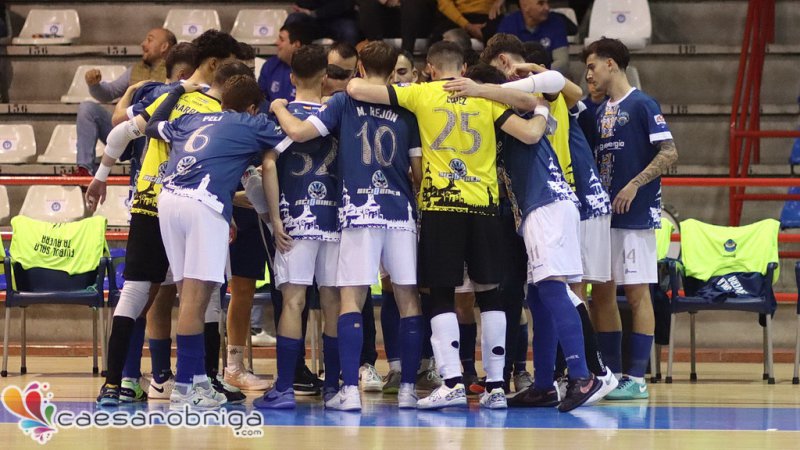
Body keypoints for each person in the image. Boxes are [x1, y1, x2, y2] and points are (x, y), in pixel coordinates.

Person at [346, 40, 551, 410]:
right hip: (484, 206)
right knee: (490, 295)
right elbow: (531, 131)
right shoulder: (485, 98)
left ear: (430, 68)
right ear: (464, 68)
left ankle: (453, 383)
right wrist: (540, 110)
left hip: (442, 206)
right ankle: (495, 387)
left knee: (442, 294)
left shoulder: (421, 93)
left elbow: (357, 88)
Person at [89, 31, 246, 407]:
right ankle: (199, 383)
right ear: (214, 64)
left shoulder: (166, 95)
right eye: (232, 66)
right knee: (203, 294)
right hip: (194, 205)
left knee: (136, 293)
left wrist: (100, 176)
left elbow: (118, 132)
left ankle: (114, 384)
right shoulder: (220, 110)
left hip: (150, 201)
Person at [272, 41, 425, 411]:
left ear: (359, 69)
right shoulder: (407, 109)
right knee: (408, 299)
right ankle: (408, 389)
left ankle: (349, 391)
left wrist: (276, 106)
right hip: (400, 210)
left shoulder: (343, 102)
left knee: (350, 299)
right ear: (392, 72)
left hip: (358, 211)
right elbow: (418, 173)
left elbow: (300, 133)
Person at [447, 61, 604, 412]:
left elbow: (550, 86)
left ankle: (583, 376)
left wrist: (482, 90)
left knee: (553, 290)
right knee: (538, 297)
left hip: (547, 204)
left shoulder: (516, 107)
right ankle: (544, 385)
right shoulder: (499, 119)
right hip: (539, 209)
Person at [143, 75, 291, 410]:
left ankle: (196, 380)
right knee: (196, 300)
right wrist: (281, 107)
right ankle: (186, 388)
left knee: (188, 295)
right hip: (203, 202)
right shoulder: (253, 124)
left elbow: (152, 126)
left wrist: (177, 91)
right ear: (252, 108)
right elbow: (291, 138)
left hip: (168, 201)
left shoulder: (192, 119)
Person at [582, 37, 678, 400]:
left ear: (610, 64)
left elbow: (669, 153)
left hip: (636, 216)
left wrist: (635, 184)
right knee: (601, 294)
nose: (588, 74)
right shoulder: (597, 111)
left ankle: (636, 377)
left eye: (592, 66)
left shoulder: (642, 104)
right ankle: (611, 374)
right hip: (603, 217)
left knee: (638, 293)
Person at [248, 45, 339, 409]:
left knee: (293, 300)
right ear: (325, 78)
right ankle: (335, 388)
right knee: (333, 301)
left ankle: (284, 388)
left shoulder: (282, 117)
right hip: (334, 218)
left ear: (290, 77)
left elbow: (268, 166)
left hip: (296, 219)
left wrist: (274, 217)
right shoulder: (337, 113)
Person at [75, 28, 175, 175]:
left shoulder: (175, 73)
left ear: (164, 47)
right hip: (128, 133)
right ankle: (84, 171)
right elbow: (109, 93)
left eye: (149, 40)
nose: (143, 44)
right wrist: (94, 85)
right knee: (87, 108)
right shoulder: (135, 70)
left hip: (156, 135)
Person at [497, 0, 569, 72]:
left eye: (547, 2)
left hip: (549, 76)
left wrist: (537, 74)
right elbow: (502, 61)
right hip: (516, 77)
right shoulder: (507, 25)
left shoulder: (556, 22)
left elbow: (562, 63)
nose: (547, 7)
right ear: (525, 6)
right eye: (541, 3)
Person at [258, 22, 314, 104]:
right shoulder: (270, 66)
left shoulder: (313, 71)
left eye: (281, 39)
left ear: (296, 44)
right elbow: (260, 101)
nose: (276, 42)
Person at [357, 0, 434, 53]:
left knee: (411, 3)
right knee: (368, 4)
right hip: (384, 17)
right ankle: (376, 53)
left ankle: (406, 56)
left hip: (417, 17)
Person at [285, 0, 360, 46]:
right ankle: (289, 63)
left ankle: (347, 65)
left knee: (350, 32)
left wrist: (316, 13)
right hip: (311, 18)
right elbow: (302, 4)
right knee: (293, 20)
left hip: (340, 17)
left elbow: (345, 3)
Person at [433, 0, 506, 44]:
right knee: (438, 39)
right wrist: (466, 25)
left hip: (488, 14)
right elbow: (444, 3)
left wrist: (498, 2)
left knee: (499, 38)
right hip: (458, 15)